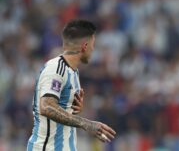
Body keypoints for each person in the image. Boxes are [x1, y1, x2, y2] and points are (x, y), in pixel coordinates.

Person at [27, 19, 116, 151]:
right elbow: (46, 106)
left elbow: (61, 110)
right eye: (92, 44)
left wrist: (74, 110)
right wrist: (86, 123)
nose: (93, 49)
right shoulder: (56, 68)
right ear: (84, 46)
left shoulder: (73, 72)